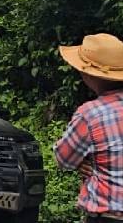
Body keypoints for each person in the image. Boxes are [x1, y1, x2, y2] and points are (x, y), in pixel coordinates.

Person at [55, 33, 123, 222]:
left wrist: (86, 160)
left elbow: (64, 159)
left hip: (108, 216)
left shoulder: (91, 114)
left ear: (87, 74)